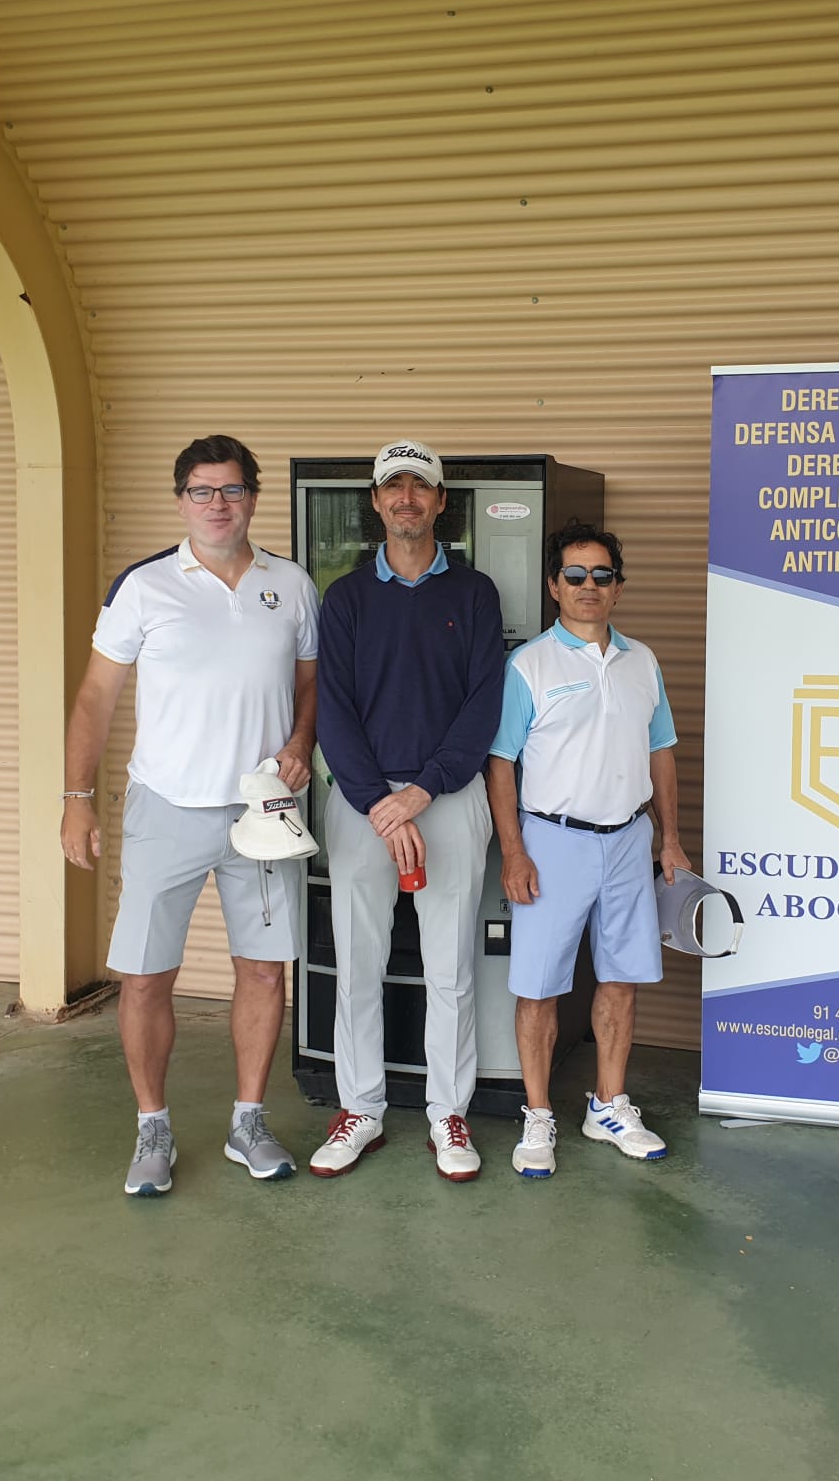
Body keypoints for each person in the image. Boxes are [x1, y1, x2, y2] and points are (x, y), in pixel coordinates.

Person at [61, 435, 318, 1197]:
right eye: (202, 491)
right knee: (145, 978)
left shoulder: (291, 584)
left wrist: (300, 743)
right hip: (166, 806)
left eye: (232, 490)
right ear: (181, 501)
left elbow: (310, 685)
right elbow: (94, 698)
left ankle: (249, 1122)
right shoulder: (143, 587)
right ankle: (153, 1128)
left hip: (263, 810)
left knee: (265, 971)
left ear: (253, 499)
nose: (218, 504)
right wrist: (76, 800)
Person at [311, 439, 504, 1182]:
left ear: (440, 501)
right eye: (393, 486)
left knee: (450, 969)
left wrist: (423, 791)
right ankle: (360, 1108)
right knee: (357, 966)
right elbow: (334, 711)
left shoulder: (475, 593)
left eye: (419, 486)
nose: (406, 498)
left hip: (448, 799)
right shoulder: (347, 597)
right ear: (376, 502)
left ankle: (447, 1114)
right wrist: (380, 805)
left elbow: (483, 703)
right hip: (363, 806)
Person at [486, 523, 688, 1178]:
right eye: (575, 575)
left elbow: (661, 752)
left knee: (621, 980)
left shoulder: (642, 662)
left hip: (628, 840)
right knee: (539, 987)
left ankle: (608, 1105)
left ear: (618, 587)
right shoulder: (530, 665)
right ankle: (538, 1115)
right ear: (554, 586)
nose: (588, 586)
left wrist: (670, 840)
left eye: (602, 575)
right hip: (552, 841)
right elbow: (501, 763)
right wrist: (514, 852)